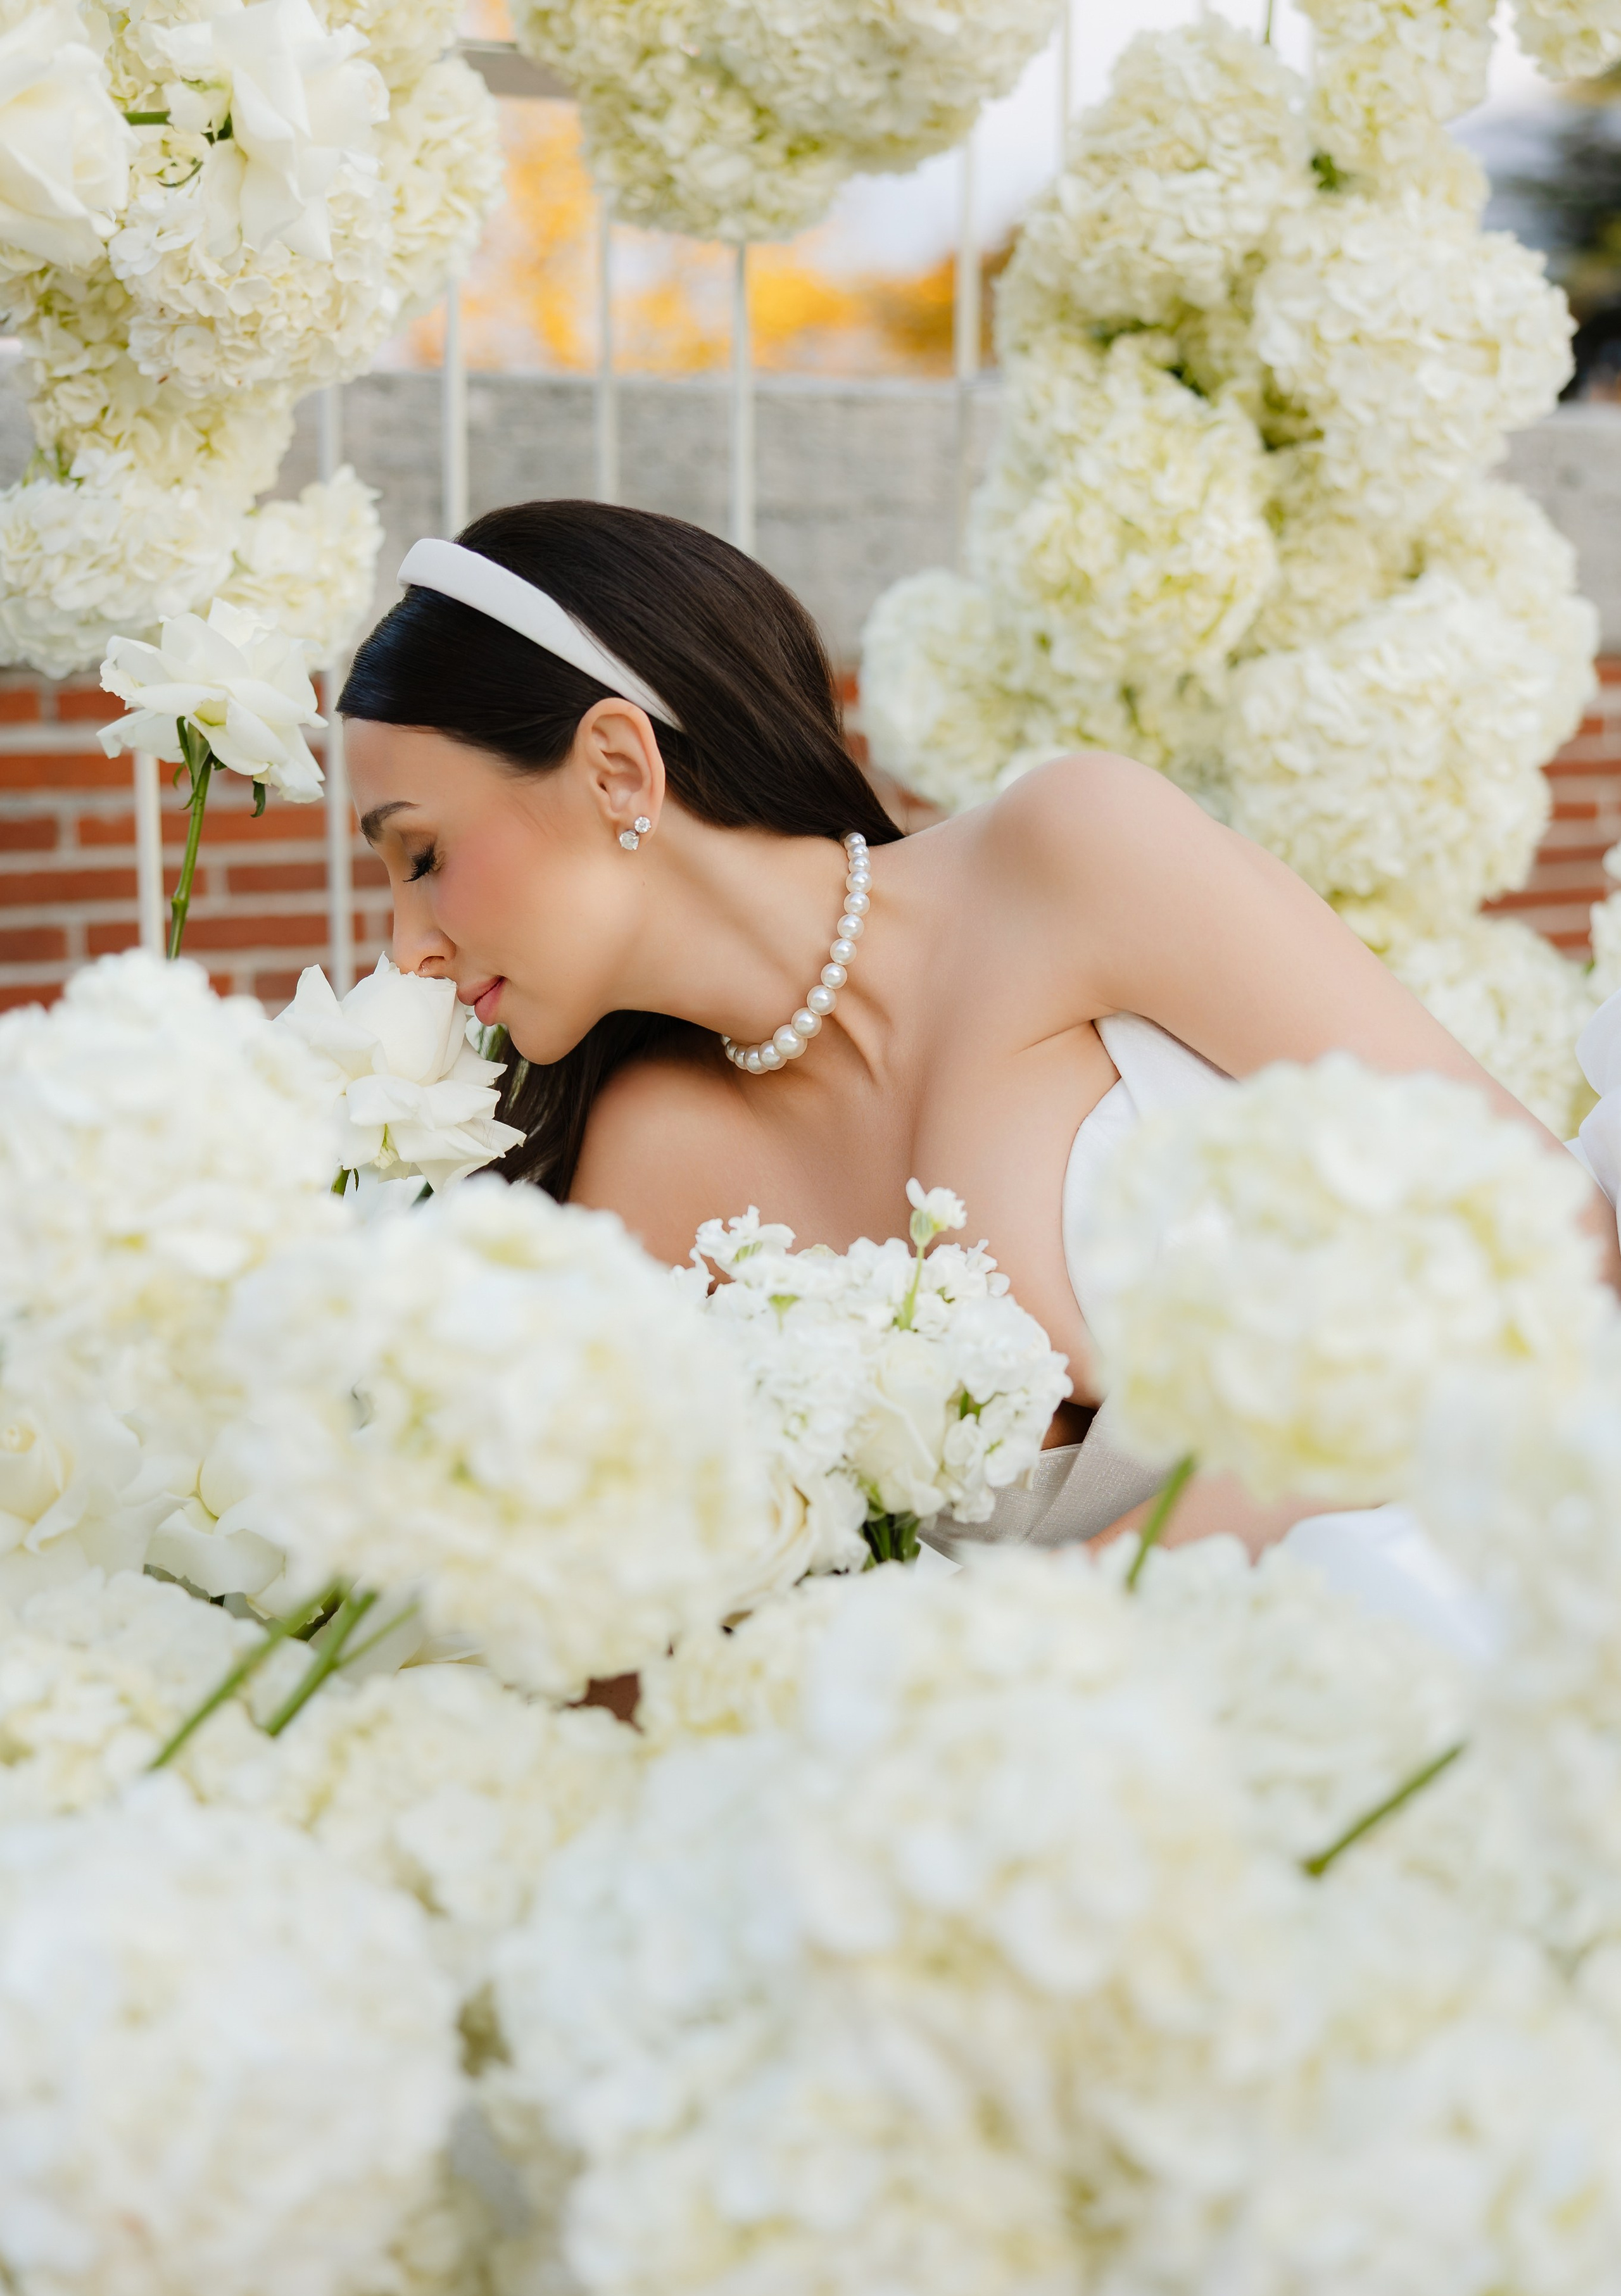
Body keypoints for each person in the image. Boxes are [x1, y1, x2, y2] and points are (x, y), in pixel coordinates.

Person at [339, 499, 1620, 1570]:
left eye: (423, 854)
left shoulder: (1071, 855)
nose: (409, 950)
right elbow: (646, 1626)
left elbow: (1547, 1233)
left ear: (618, 767)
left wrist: (1099, 1611)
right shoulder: (655, 1167)